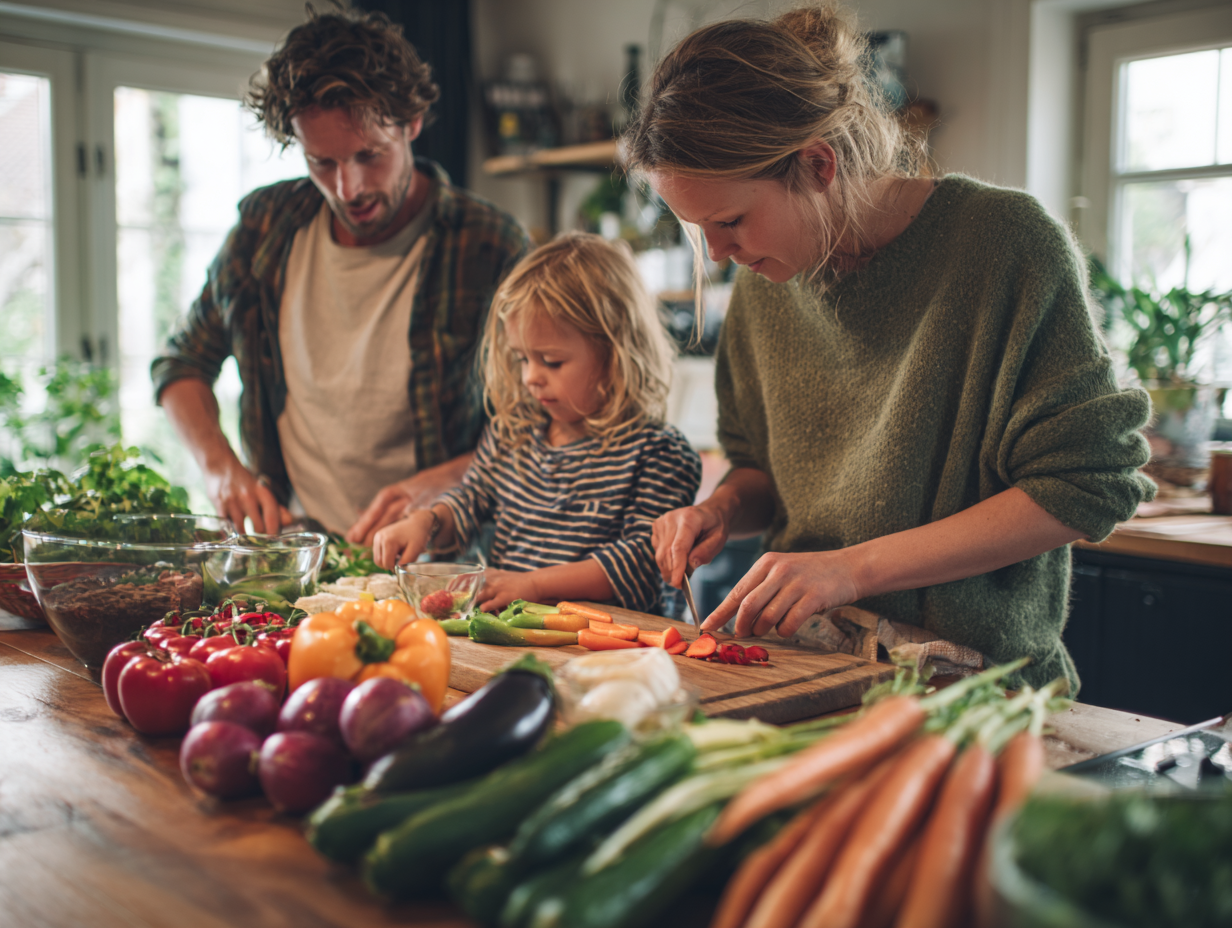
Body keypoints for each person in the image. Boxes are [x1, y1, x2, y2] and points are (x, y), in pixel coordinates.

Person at [629, 4, 1155, 689]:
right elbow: (761, 471)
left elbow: (1088, 487)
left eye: (729, 221)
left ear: (818, 166)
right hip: (804, 669)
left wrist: (851, 569)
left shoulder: (1005, 247)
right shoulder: (766, 283)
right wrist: (720, 509)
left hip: (975, 693)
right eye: (699, 231)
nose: (718, 255)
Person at [152, 9, 530, 539]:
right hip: (298, 549)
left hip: (442, 562)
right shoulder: (264, 227)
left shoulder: (489, 244)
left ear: (412, 123)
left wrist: (448, 480)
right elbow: (182, 364)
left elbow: (545, 423)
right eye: (321, 163)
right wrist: (221, 470)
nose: (347, 188)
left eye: (368, 156)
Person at [373, 232, 702, 614]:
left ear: (616, 351)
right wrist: (426, 521)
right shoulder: (511, 433)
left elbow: (639, 561)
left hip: (611, 649)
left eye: (551, 361)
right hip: (513, 634)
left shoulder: (658, 452)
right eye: (522, 359)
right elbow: (470, 501)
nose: (531, 377)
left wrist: (533, 585)